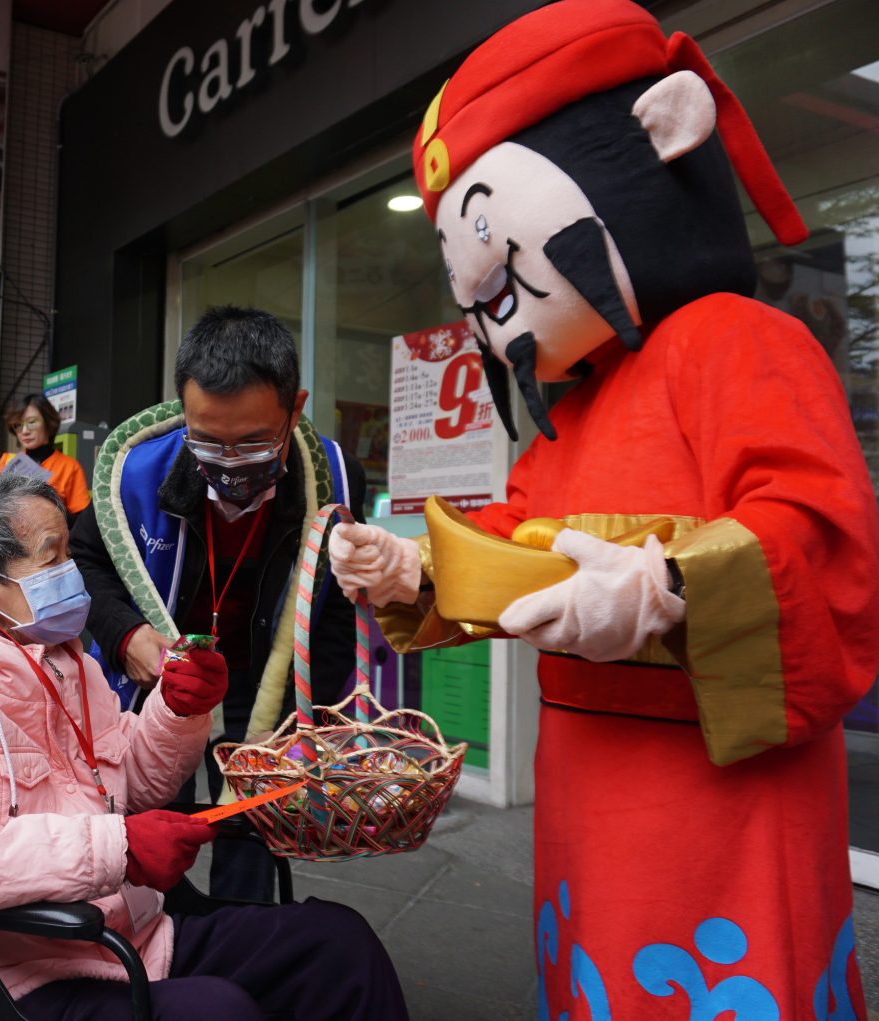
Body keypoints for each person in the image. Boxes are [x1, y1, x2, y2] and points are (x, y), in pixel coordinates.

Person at [330, 1, 878, 1011]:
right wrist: (412, 567)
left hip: (714, 789)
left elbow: (822, 536)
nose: (492, 310)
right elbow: (508, 546)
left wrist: (671, 589)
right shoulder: (570, 413)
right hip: (583, 780)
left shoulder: (736, 339)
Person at [0, 474, 407, 1021]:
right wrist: (117, 848)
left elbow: (129, 783)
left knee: (337, 946)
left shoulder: (68, 662)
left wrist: (178, 710)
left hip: (128, 937)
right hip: (12, 971)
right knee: (218, 1010)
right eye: (52, 556)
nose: (72, 573)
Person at [70, 306, 366, 901]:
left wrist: (325, 724)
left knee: (251, 831)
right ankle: (163, 942)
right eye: (208, 440)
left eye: (254, 441)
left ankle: (242, 937)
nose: (230, 462)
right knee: (154, 834)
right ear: (183, 409)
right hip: (165, 681)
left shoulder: (332, 478)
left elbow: (330, 606)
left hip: (263, 686)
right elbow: (86, 563)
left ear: (295, 408)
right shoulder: (135, 475)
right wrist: (126, 636)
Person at [0, 393, 90, 523]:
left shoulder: (69, 466)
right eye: (18, 425)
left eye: (32, 422)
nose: (25, 431)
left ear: (48, 423)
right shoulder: (7, 461)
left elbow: (82, 519)